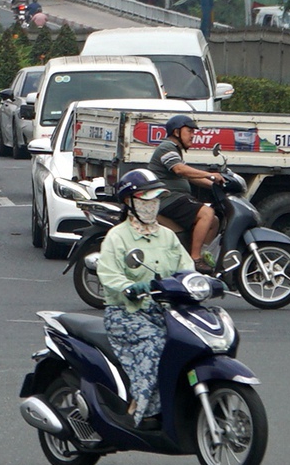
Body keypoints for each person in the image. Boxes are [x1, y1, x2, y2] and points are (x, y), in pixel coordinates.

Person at [95, 168, 192, 428]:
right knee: (155, 344)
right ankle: (141, 409)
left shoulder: (167, 236)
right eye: (145, 199)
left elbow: (187, 268)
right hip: (126, 314)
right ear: (130, 202)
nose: (151, 205)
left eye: (155, 199)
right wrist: (130, 287)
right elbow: (108, 274)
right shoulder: (117, 237)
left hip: (165, 312)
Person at [147, 114, 223, 265]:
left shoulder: (175, 150)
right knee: (207, 213)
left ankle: (200, 254)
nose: (193, 136)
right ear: (176, 132)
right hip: (167, 199)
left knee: (213, 221)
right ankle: (195, 259)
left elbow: (190, 177)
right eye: (189, 131)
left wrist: (214, 184)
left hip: (175, 199)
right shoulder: (166, 147)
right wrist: (210, 175)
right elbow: (180, 170)